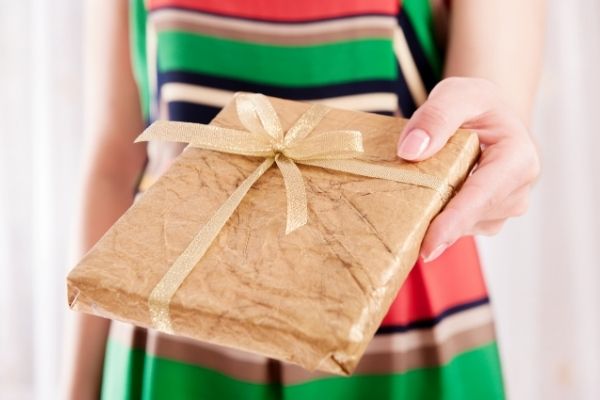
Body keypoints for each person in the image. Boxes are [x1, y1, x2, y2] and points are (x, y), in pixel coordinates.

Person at [63, 0, 543, 399]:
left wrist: (495, 145)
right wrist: (78, 387)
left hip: (398, 333)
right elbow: (115, 165)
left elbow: (489, 122)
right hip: (172, 329)